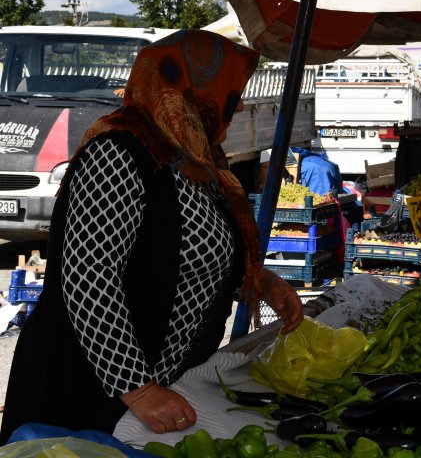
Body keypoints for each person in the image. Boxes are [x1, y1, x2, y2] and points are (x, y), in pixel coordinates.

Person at [0, 30, 304, 441]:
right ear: (192, 89)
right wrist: (138, 389)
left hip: (161, 390)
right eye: (232, 94)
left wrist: (259, 280)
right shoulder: (118, 152)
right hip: (90, 394)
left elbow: (189, 250)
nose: (241, 105)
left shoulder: (196, 158)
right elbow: (90, 276)